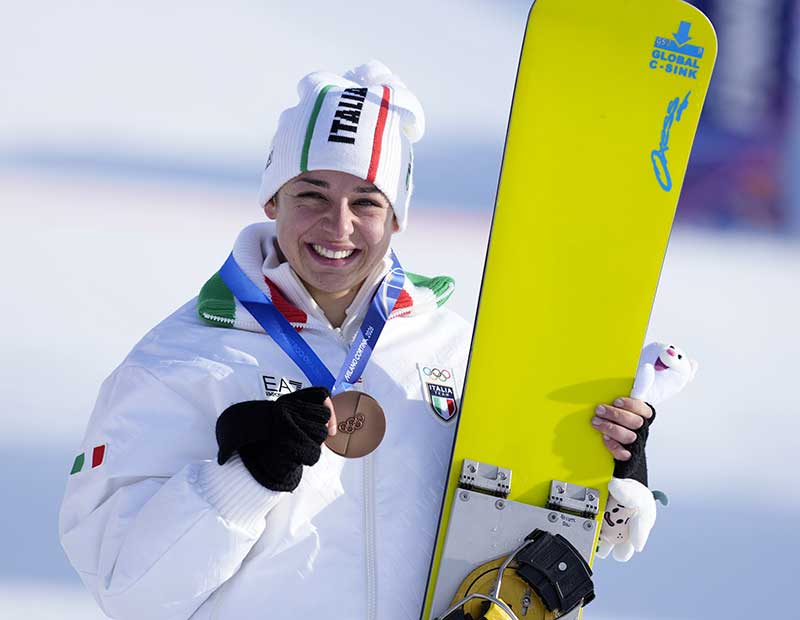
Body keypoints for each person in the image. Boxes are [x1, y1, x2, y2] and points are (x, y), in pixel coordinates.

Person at [59, 61, 655, 619]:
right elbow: (130, 590)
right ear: (273, 199)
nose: (337, 226)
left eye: (366, 202)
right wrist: (241, 482)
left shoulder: (459, 352)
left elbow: (522, 538)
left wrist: (603, 478)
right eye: (312, 194)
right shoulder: (184, 358)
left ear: (396, 216)